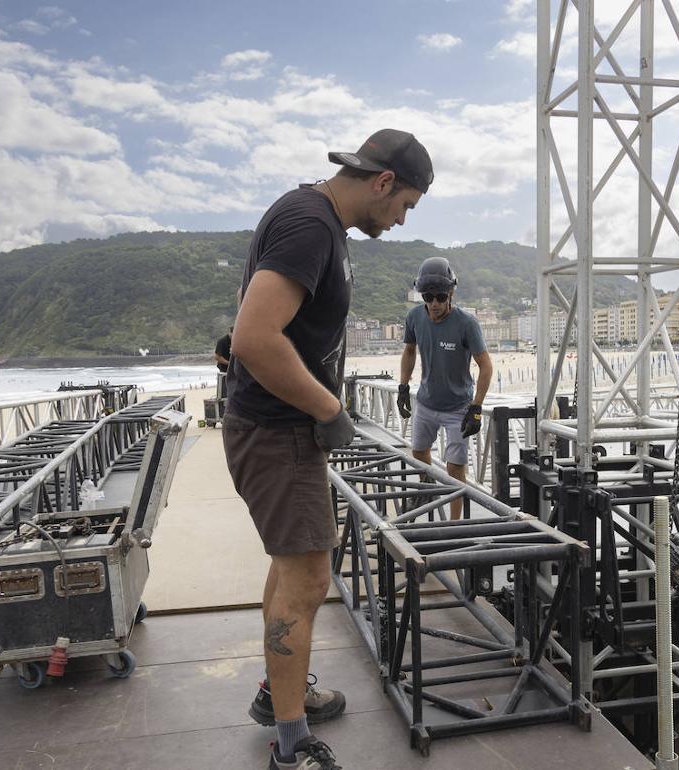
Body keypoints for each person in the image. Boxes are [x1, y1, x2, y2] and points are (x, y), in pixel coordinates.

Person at [224, 129, 433, 770]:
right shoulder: (311, 225)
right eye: (405, 206)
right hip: (280, 430)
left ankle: (278, 694)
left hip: (278, 428)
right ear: (383, 182)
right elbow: (254, 338)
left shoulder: (315, 221)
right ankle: (290, 748)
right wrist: (329, 408)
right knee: (310, 581)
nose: (399, 222)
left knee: (292, 571)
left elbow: (265, 325)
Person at [397, 258, 493, 519]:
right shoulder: (414, 317)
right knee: (418, 453)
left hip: (457, 407)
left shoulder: (466, 323)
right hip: (426, 403)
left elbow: (485, 366)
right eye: (429, 297)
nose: (435, 304)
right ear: (422, 295)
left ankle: (454, 523)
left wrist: (476, 407)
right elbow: (409, 351)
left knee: (455, 469)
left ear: (451, 293)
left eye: (441, 296)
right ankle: (425, 489)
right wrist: (403, 387)